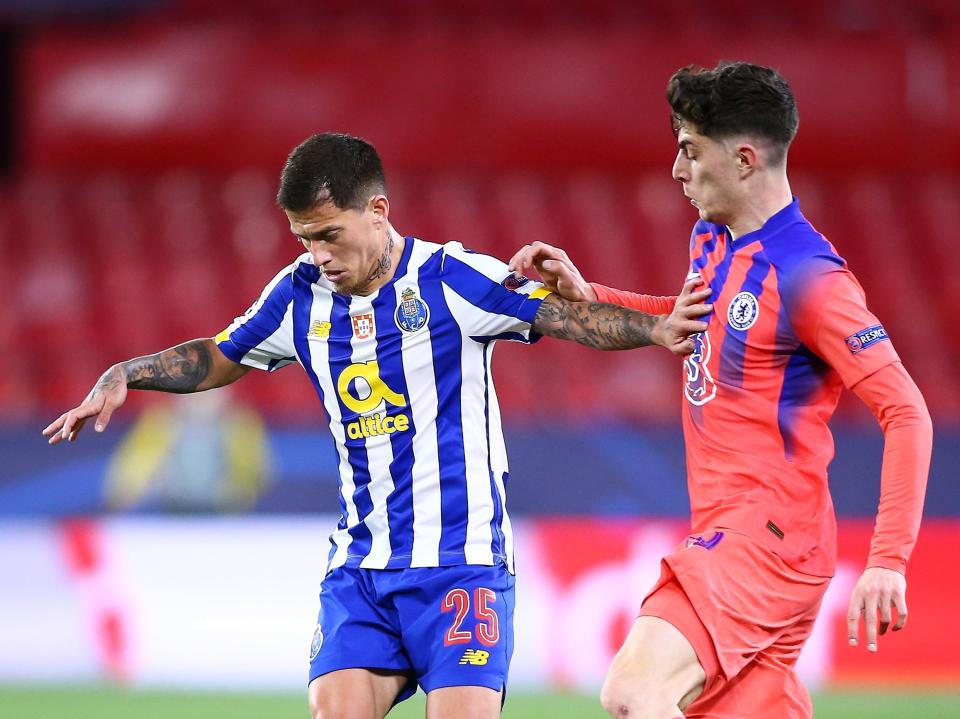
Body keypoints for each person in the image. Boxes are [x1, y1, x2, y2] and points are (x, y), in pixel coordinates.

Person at [43, 132, 710, 719]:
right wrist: (127, 371)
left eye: (329, 234)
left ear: (377, 211)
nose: (318, 254)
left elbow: (569, 317)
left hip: (462, 566)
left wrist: (657, 327)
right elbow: (219, 355)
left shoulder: (452, 278)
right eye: (305, 238)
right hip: (362, 569)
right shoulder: (297, 294)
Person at [509, 62, 932, 719]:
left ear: (741, 158)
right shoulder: (712, 240)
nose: (677, 171)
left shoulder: (810, 277)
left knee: (633, 692)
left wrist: (888, 560)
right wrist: (591, 297)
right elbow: (691, 326)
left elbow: (907, 411)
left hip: (768, 536)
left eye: (689, 150)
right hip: (740, 534)